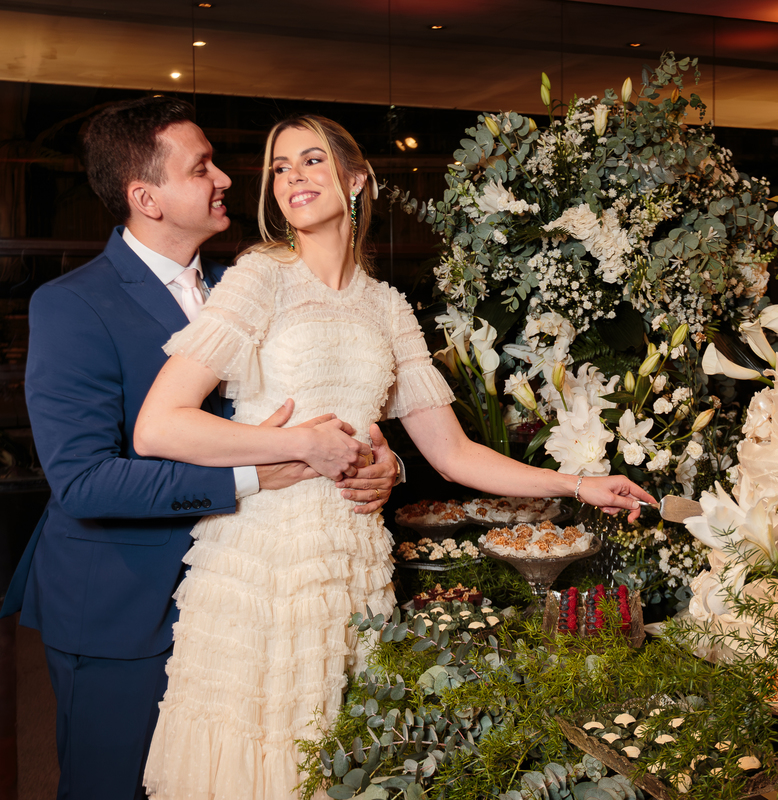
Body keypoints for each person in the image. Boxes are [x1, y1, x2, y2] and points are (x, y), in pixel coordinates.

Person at [133, 114, 654, 799]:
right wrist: (298, 443)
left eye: (311, 160)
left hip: (353, 553)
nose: (293, 177)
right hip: (264, 555)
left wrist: (581, 484)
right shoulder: (260, 278)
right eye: (281, 167)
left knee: (347, 754)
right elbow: (158, 428)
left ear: (355, 180)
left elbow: (454, 452)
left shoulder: (387, 307)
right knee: (266, 755)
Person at [0, 96, 401, 800]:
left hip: (237, 594)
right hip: (121, 603)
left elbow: (307, 401)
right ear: (146, 197)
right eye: (202, 167)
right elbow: (84, 482)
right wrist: (253, 474)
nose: (225, 179)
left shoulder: (244, 283)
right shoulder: (72, 303)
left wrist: (383, 460)